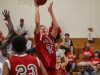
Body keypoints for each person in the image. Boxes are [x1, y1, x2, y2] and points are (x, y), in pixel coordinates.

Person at [34, 0, 58, 75]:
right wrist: (37, 8)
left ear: (47, 31)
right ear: (38, 32)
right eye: (41, 29)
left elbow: (56, 27)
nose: (43, 28)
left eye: (44, 28)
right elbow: (37, 22)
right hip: (44, 70)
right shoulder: (38, 39)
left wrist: (51, 12)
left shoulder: (51, 38)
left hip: (53, 70)